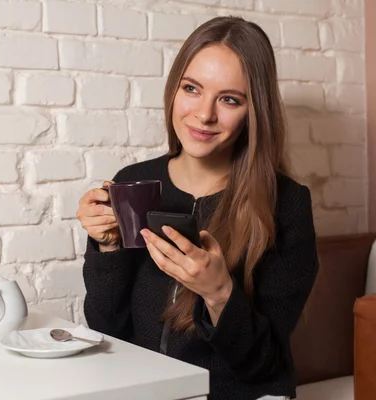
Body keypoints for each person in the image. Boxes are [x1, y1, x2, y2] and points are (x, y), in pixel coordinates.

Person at [76, 16, 319, 400]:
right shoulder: (135, 182)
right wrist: (108, 248)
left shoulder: (286, 203)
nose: (204, 114)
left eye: (229, 99)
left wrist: (220, 292)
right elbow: (107, 329)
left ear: (253, 111)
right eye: (192, 89)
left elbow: (264, 365)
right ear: (174, 89)